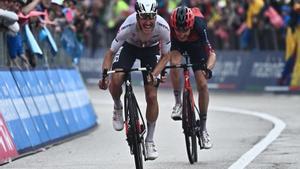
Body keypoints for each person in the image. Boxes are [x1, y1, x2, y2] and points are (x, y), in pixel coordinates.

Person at [98, 0, 171, 160]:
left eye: (151, 17)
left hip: (151, 50)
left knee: (152, 95)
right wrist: (105, 75)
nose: (148, 21)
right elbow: (110, 53)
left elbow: (166, 56)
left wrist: (156, 72)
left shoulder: (163, 27)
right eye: (144, 17)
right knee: (116, 78)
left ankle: (150, 141)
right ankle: (118, 107)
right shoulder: (128, 26)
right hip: (129, 47)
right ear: (137, 16)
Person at [169, 6, 216, 149]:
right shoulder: (171, 26)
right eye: (178, 30)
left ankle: (203, 129)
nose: (182, 34)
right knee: (174, 63)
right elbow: (164, 51)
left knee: (202, 84)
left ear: (190, 26)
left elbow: (212, 53)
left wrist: (207, 68)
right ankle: (178, 103)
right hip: (177, 46)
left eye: (185, 30)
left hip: (196, 46)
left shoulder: (199, 26)